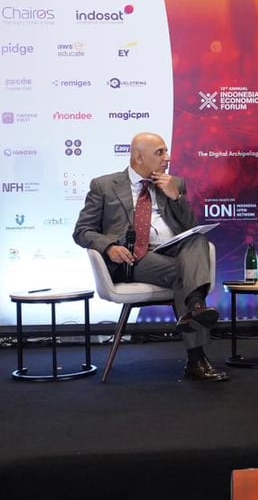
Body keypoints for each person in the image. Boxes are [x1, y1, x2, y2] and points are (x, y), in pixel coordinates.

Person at [73, 132, 226, 382]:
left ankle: (195, 308)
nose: (167, 157)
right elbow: (82, 230)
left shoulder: (173, 183)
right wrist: (109, 247)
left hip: (172, 249)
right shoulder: (104, 186)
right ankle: (196, 352)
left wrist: (176, 196)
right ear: (138, 156)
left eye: (166, 151)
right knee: (185, 276)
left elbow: (190, 226)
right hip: (132, 258)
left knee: (198, 239)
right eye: (160, 152)